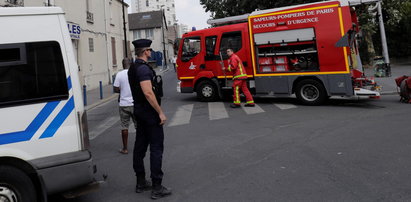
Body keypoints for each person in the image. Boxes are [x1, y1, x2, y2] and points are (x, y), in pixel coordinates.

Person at [128, 39, 172, 199]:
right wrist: (160, 112)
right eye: (150, 50)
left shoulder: (132, 68)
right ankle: (157, 187)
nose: (151, 52)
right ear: (145, 51)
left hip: (139, 111)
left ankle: (140, 182)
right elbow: (148, 92)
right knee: (156, 148)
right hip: (149, 113)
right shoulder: (144, 70)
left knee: (139, 147)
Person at [113, 58, 136, 154]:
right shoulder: (135, 73)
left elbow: (115, 89)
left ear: (123, 65)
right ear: (131, 64)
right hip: (135, 103)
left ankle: (125, 148)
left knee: (124, 126)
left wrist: (122, 90)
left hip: (123, 104)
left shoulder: (119, 74)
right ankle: (140, 146)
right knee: (138, 126)